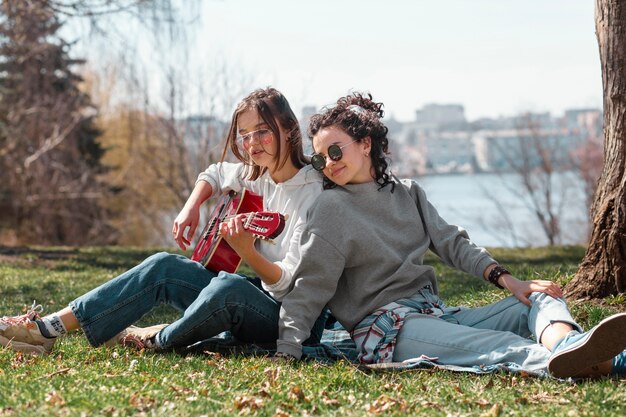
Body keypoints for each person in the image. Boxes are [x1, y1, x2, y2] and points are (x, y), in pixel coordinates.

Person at [274, 92, 626, 379]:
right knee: (495, 344)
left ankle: (569, 349)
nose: (329, 164)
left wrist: (510, 281)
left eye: (335, 151)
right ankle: (609, 364)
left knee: (537, 299)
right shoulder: (331, 208)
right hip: (388, 330)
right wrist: (288, 347)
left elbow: (452, 243)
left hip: (435, 313)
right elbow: (311, 283)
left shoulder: (407, 192)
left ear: (365, 144)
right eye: (320, 160)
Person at [0, 87, 326, 355]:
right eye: (244, 135)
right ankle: (48, 328)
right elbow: (214, 173)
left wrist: (248, 252)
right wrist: (192, 206)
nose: (252, 144)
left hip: (293, 322)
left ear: (288, 128)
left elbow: (287, 284)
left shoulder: (313, 194)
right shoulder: (262, 174)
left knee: (230, 285)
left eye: (262, 132)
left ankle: (155, 340)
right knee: (164, 266)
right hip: (261, 300)